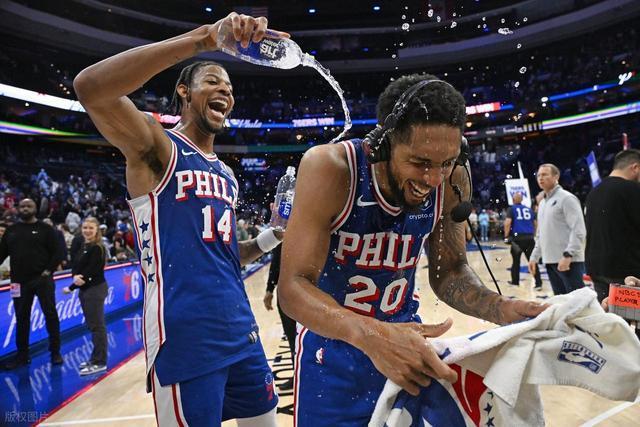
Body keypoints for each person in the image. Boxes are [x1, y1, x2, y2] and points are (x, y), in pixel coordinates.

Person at [278, 74, 546, 425]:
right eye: (421, 163)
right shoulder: (332, 168)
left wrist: (501, 308)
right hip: (332, 355)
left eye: (446, 162)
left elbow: (449, 272)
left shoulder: (453, 178)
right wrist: (373, 336)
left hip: (410, 348)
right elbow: (293, 287)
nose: (434, 179)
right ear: (383, 145)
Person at [74, 12, 288, 426]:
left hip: (240, 330)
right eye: (213, 81)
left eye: (229, 87)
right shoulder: (157, 146)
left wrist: (273, 235)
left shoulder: (225, 174)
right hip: (185, 337)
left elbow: (226, 256)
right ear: (184, 92)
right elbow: (90, 88)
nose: (225, 90)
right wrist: (205, 39)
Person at [0, 199, 63, 369]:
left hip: (42, 280)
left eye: (29, 206)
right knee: (21, 318)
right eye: (22, 206)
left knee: (50, 315)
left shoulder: (46, 229)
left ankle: (55, 352)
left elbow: (58, 253)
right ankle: (22, 356)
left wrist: (47, 272)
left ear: (35, 209)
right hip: (18, 282)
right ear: (18, 209)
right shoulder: (11, 230)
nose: (25, 208)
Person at [585, 149, 640, 302]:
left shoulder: (593, 192)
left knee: (608, 314)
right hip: (627, 272)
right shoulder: (632, 189)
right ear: (635, 167)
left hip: (597, 268)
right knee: (630, 316)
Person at [529, 164, 586, 295]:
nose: (540, 178)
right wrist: (534, 257)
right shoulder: (542, 203)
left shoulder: (567, 198)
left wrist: (568, 254)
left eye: (545, 174)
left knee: (578, 302)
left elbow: (578, 229)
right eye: (538, 175)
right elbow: (541, 234)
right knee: (561, 301)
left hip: (568, 261)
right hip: (550, 261)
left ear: (556, 177)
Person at [63, 217, 109, 375]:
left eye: (91, 228)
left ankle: (100, 361)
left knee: (97, 326)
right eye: (85, 228)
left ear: (97, 230)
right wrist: (75, 277)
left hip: (95, 290)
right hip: (86, 290)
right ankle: (95, 358)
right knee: (93, 326)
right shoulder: (83, 245)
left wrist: (71, 287)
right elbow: (76, 267)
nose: (87, 231)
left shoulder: (97, 248)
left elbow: (90, 272)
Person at [262, 244, 296, 391]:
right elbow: (277, 259)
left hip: (301, 288)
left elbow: (277, 259)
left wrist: (270, 289)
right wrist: (270, 289)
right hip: (290, 291)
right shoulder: (284, 230)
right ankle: (299, 373)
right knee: (293, 337)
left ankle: (303, 374)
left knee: (297, 337)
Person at [504, 192, 542, 288]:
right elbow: (535, 223)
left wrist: (506, 236)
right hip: (529, 238)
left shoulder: (512, 209)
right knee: (532, 261)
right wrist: (533, 234)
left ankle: (515, 282)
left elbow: (508, 223)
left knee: (516, 262)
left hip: (517, 239)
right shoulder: (529, 209)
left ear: (513, 200)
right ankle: (538, 283)